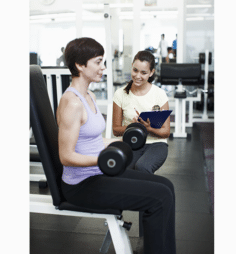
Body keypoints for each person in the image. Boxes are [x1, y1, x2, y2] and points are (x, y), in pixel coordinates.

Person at [56, 37, 176, 254]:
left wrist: (119, 141)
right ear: (80, 66)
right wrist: (103, 160)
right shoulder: (72, 102)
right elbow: (66, 156)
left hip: (98, 173)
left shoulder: (89, 95)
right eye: (99, 62)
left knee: (166, 186)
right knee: (160, 198)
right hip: (82, 184)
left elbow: (93, 141)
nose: (103, 67)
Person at [112, 50, 170, 174]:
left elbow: (165, 132)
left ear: (151, 73)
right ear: (132, 67)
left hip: (156, 143)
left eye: (143, 72)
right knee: (125, 170)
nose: (138, 76)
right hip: (132, 143)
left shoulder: (159, 94)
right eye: (135, 70)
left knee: (142, 167)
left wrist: (148, 128)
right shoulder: (120, 94)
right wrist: (133, 127)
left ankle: (149, 193)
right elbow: (116, 130)